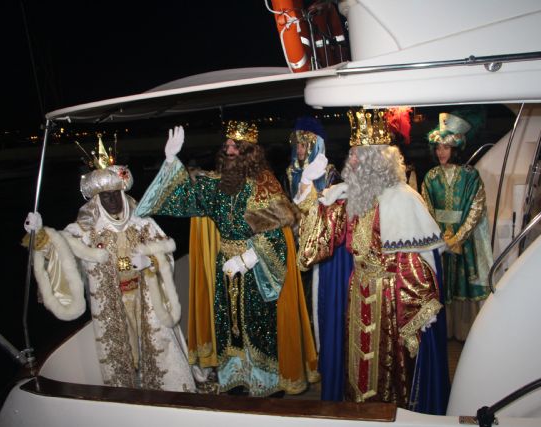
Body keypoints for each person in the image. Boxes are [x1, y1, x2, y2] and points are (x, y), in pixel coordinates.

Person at [135, 122, 318, 397]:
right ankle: (236, 376)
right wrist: (171, 160)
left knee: (259, 325)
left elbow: (279, 234)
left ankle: (266, 381)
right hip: (225, 267)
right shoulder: (215, 185)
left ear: (249, 153)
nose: (229, 150)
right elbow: (182, 197)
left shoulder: (264, 185)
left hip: (256, 270)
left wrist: (247, 259)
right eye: (227, 145)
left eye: (236, 146)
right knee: (228, 324)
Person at [294, 108, 450, 413]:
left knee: (387, 369)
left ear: (376, 161)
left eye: (357, 155)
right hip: (358, 293)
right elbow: (323, 232)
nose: (350, 160)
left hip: (390, 302)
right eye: (352, 154)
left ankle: (389, 414)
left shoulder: (404, 198)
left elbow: (417, 261)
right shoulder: (351, 195)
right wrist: (306, 185)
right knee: (357, 365)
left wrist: (419, 304)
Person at [23, 138, 196, 392]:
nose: (113, 200)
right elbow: (60, 251)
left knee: (158, 351)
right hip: (110, 304)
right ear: (97, 199)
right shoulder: (85, 229)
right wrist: (40, 234)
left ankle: (169, 396)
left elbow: (166, 255)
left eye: (116, 194)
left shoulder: (142, 222)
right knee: (120, 356)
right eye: (106, 196)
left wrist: (150, 261)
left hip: (146, 298)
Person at [285, 116, 352, 401]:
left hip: (322, 246)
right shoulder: (290, 172)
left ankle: (324, 357)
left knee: (321, 301)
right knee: (300, 300)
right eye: (298, 144)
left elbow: (329, 210)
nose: (300, 149)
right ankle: (306, 360)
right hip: (297, 241)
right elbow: (289, 207)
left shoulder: (330, 172)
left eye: (305, 144)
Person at [421, 110, 493, 341]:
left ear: (455, 148)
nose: (441, 152)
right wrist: (440, 237)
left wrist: (459, 237)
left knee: (463, 283)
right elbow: (426, 209)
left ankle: (464, 333)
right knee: (441, 284)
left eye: (446, 147)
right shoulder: (430, 177)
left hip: (465, 239)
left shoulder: (471, 176)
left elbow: (476, 207)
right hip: (439, 241)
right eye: (438, 148)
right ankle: (443, 332)